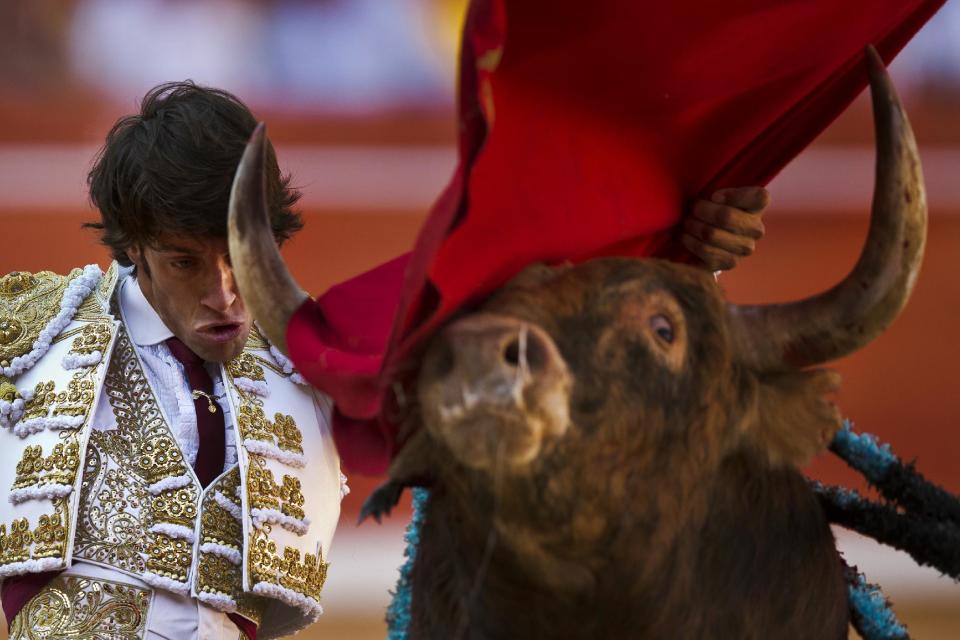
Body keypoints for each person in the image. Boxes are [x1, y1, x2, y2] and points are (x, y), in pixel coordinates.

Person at [0, 81, 765, 639]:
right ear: (133, 245)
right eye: (184, 263)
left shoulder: (313, 360)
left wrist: (679, 250)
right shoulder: (30, 336)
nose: (224, 296)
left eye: (237, 256)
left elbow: (517, 290)